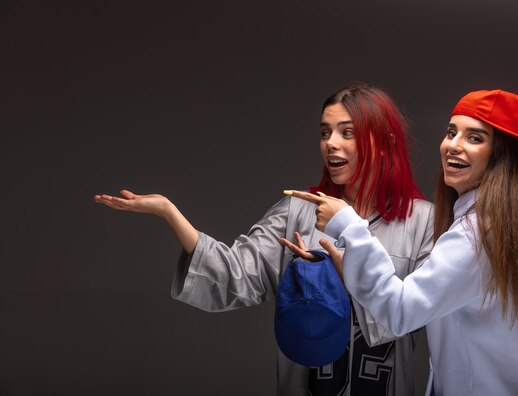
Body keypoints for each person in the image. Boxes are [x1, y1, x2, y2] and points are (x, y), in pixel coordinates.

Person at [93, 82, 434, 396]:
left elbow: (421, 315)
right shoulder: (297, 213)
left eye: (348, 132)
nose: (331, 143)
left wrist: (349, 274)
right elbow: (235, 275)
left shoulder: (422, 222)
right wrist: (169, 212)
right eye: (325, 132)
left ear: (385, 141)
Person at [286, 89, 518, 395]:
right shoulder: (509, 223)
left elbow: (400, 311)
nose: (453, 146)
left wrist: (348, 224)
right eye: (451, 132)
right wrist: (351, 266)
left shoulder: (479, 235)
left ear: (502, 156)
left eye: (475, 138)